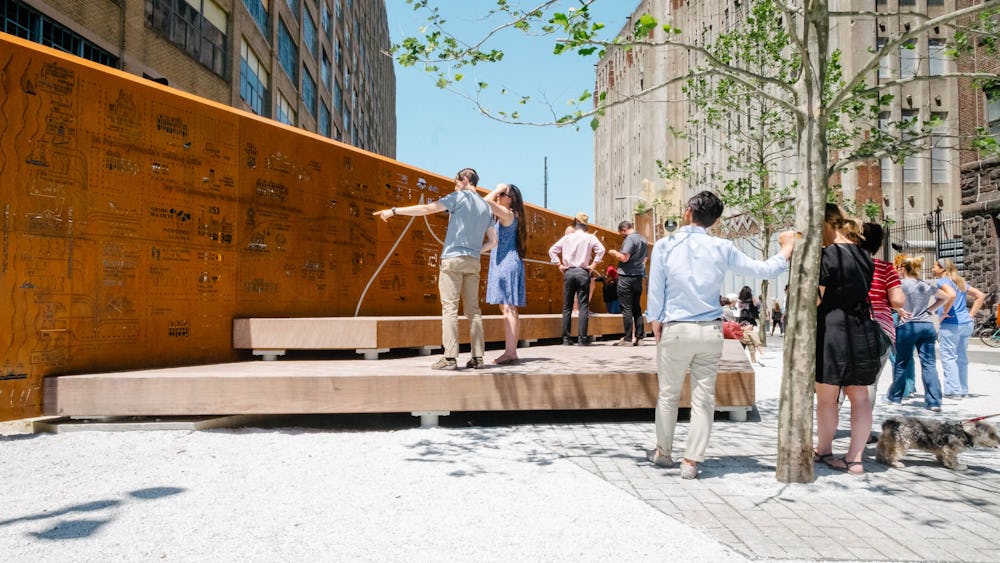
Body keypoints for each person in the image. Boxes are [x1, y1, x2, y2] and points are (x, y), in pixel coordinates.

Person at [645, 191, 795, 479]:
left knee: (668, 395)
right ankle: (691, 461)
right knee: (703, 399)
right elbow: (763, 270)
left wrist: (656, 323)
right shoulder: (722, 247)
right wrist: (785, 250)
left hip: (677, 327)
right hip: (711, 329)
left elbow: (656, 291)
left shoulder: (665, 245)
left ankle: (663, 452)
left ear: (688, 211)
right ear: (714, 221)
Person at [374, 167, 496, 370]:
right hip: (473, 262)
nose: (455, 186)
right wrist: (475, 251)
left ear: (465, 179)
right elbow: (493, 241)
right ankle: (478, 358)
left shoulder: (459, 197)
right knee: (473, 312)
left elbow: (428, 209)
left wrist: (395, 211)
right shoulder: (486, 207)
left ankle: (449, 358)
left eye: (457, 182)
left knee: (450, 309)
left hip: (452, 259)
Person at [814, 204, 882, 476]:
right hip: (861, 327)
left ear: (827, 226)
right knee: (860, 396)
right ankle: (855, 459)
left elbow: (817, 298)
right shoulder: (865, 256)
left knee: (827, 398)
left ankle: (824, 450)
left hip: (832, 329)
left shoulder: (825, 256)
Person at [885, 256, 950, 410]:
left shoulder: (900, 285)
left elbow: (890, 300)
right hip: (926, 325)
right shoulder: (924, 285)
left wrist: (899, 310)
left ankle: (895, 397)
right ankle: (934, 401)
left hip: (907, 326)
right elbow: (946, 297)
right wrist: (930, 309)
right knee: (929, 364)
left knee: (902, 362)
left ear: (903, 268)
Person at [858, 222, 905, 409]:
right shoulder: (885, 268)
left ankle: (831, 426)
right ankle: (864, 430)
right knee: (870, 382)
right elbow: (898, 301)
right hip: (879, 328)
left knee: (841, 382)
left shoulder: (846, 266)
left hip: (851, 324)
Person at [484, 184, 527, 365]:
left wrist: (496, 188)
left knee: (507, 308)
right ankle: (512, 351)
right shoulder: (513, 216)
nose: (499, 196)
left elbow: (485, 202)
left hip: (505, 265)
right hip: (510, 262)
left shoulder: (507, 214)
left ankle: (510, 352)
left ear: (510, 199)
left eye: (503, 194)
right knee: (510, 309)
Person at [549, 213, 606, 346]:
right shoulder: (590, 237)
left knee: (567, 306)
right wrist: (593, 266)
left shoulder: (568, 237)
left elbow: (552, 250)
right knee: (583, 305)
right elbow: (601, 250)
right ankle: (582, 338)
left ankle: (566, 338)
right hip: (582, 272)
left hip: (568, 272)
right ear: (586, 224)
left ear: (575, 222)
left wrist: (559, 265)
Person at [933, 257, 986, 398]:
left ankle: (953, 391)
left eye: (935, 267)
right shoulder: (959, 281)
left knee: (949, 357)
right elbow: (980, 296)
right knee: (961, 358)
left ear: (943, 269)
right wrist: (971, 315)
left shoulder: (942, 282)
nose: (933, 269)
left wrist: (944, 312)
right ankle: (963, 390)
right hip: (966, 323)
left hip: (951, 325)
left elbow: (951, 295)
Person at [608, 220, 649, 346]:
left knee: (626, 308)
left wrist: (614, 253)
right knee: (637, 307)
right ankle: (640, 337)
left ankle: (627, 339)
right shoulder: (643, 240)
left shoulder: (630, 239)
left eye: (622, 234)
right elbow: (645, 259)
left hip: (626, 277)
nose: (622, 236)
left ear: (624, 229)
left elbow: (624, 258)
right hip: (638, 277)